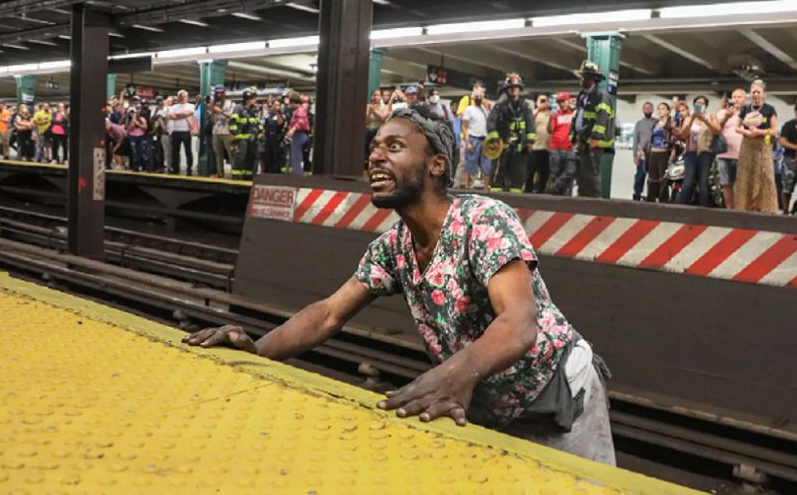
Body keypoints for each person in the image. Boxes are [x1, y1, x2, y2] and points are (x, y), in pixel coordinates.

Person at [183, 105, 616, 465]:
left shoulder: (482, 220)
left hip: (560, 396)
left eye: (394, 146)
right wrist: (256, 351)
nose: (374, 158)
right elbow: (330, 313)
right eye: (373, 149)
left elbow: (521, 322)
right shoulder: (393, 248)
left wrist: (453, 374)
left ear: (436, 165)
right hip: (491, 403)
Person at [571, 61, 615, 198]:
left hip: (593, 144)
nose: (581, 79)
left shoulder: (601, 96)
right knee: (581, 176)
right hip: (582, 141)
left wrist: (595, 137)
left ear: (591, 79)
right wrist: (573, 136)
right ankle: (582, 201)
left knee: (591, 175)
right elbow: (578, 116)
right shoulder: (583, 95)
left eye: (583, 77)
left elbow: (602, 118)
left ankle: (593, 204)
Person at [734, 79, 779, 214]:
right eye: (753, 92)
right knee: (745, 176)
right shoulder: (746, 109)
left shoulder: (769, 109)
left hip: (763, 145)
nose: (755, 95)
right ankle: (744, 207)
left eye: (758, 92)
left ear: (764, 94)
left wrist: (759, 132)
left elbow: (774, 130)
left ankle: (767, 208)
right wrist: (746, 132)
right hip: (747, 145)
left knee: (765, 176)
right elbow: (737, 127)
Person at [487, 73, 535, 193]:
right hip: (502, 149)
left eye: (516, 87)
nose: (513, 89)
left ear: (520, 89)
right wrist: (494, 140)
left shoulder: (526, 108)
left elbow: (530, 126)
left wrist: (529, 142)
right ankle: (495, 202)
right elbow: (491, 123)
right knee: (497, 179)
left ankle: (516, 205)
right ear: (506, 89)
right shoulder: (499, 107)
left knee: (518, 179)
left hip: (520, 150)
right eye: (511, 87)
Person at [675, 96, 721, 207]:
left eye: (702, 103)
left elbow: (717, 131)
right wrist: (691, 120)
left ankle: (704, 210)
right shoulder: (689, 118)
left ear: (706, 105)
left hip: (706, 153)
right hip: (691, 153)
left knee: (703, 182)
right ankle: (678, 208)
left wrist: (705, 120)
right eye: (697, 103)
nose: (699, 105)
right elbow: (683, 136)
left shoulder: (711, 116)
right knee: (688, 182)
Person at [715, 89, 745, 209]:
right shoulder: (722, 112)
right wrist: (726, 117)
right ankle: (729, 209)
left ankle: (740, 209)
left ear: (744, 99)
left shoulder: (749, 113)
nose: (737, 99)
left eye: (739, 97)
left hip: (742, 154)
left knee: (740, 185)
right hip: (724, 153)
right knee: (726, 183)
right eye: (734, 97)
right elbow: (716, 129)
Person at [229, 87, 262, 180]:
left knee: (250, 159)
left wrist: (260, 131)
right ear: (248, 98)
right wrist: (235, 135)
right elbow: (232, 122)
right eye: (254, 98)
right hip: (241, 138)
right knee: (240, 158)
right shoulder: (239, 108)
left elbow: (256, 123)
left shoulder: (253, 110)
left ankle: (248, 176)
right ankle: (236, 176)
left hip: (252, 139)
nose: (255, 100)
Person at [460, 93, 492, 189]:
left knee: (487, 165)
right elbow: (464, 127)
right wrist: (468, 142)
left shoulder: (485, 110)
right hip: (473, 138)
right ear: (474, 98)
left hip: (485, 139)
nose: (479, 98)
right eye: (477, 97)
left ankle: (486, 188)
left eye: (481, 97)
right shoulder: (469, 109)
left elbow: (490, 123)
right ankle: (467, 187)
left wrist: (488, 108)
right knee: (470, 165)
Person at [548, 92, 576, 196]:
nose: (561, 104)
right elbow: (550, 130)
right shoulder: (556, 115)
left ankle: (556, 187)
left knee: (570, 172)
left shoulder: (574, 114)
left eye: (563, 101)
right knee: (555, 173)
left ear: (568, 101)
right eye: (559, 102)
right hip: (555, 148)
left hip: (569, 148)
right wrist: (551, 118)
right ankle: (555, 197)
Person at [645, 102, 674, 203]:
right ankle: (651, 198)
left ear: (667, 111)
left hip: (663, 153)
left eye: (662, 109)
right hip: (653, 152)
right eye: (659, 109)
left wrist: (672, 153)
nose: (660, 111)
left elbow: (673, 139)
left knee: (663, 178)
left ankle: (663, 199)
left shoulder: (670, 123)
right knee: (652, 178)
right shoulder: (655, 123)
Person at [778, 102, 797, 214]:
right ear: (796, 110)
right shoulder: (789, 125)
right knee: (787, 187)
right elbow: (782, 141)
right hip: (790, 159)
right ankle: (785, 211)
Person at [525, 94, 553, 193]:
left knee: (544, 172)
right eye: (541, 100)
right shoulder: (533, 113)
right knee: (531, 171)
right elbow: (529, 125)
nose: (544, 103)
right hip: (535, 147)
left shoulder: (551, 114)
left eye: (545, 100)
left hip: (547, 147)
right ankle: (528, 190)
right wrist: (538, 110)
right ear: (537, 102)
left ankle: (541, 190)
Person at [167, 90, 197, 175]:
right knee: (175, 152)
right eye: (180, 96)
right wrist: (182, 115)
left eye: (184, 96)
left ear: (187, 97)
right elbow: (171, 116)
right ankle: (175, 168)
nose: (182, 98)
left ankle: (189, 168)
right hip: (175, 131)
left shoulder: (191, 106)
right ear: (178, 97)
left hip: (186, 131)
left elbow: (186, 114)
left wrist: (177, 115)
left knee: (188, 151)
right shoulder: (173, 107)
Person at [632, 102, 655, 201]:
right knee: (639, 177)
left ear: (652, 109)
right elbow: (635, 140)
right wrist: (635, 156)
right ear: (643, 110)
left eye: (649, 108)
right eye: (645, 108)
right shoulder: (639, 124)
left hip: (654, 154)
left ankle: (651, 196)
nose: (647, 110)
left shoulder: (657, 122)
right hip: (642, 155)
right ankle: (637, 195)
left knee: (653, 178)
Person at [210, 85, 234, 178]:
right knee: (218, 154)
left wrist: (220, 111)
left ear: (224, 93)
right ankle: (220, 173)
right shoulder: (214, 104)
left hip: (227, 131)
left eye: (221, 93)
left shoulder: (230, 103)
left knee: (230, 154)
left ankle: (235, 173)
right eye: (217, 93)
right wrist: (212, 111)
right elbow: (212, 121)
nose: (219, 94)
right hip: (216, 131)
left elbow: (232, 116)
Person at [285, 91, 311, 175]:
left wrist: (293, 129)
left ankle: (297, 174)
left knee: (296, 156)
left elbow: (301, 122)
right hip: (299, 135)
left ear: (293, 101)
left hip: (299, 135)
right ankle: (296, 172)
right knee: (296, 156)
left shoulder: (300, 110)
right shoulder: (300, 110)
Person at [262, 100, 287, 174]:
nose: (276, 106)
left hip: (276, 138)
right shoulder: (268, 115)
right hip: (268, 138)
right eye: (275, 105)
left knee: (276, 156)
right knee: (268, 156)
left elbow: (280, 123)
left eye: (278, 105)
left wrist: (277, 113)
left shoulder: (280, 114)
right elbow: (265, 125)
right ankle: (268, 171)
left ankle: (276, 172)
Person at [126, 105, 150, 172]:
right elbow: (129, 129)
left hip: (141, 136)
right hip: (133, 136)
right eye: (131, 113)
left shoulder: (142, 119)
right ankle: (136, 166)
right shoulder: (128, 120)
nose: (132, 114)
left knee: (143, 152)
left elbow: (145, 128)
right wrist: (133, 121)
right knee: (135, 152)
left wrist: (138, 124)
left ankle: (146, 166)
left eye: (133, 112)